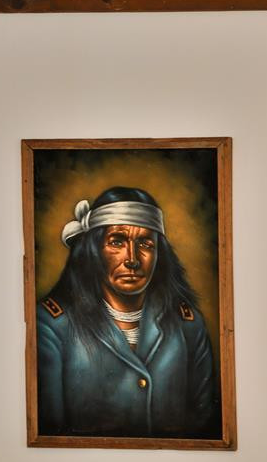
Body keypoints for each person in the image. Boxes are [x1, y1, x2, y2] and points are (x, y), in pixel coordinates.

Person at [36, 186, 220, 438]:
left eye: (145, 243)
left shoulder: (188, 324)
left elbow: (204, 423)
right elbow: (49, 431)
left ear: (159, 254)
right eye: (117, 242)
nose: (132, 258)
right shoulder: (52, 325)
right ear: (93, 250)